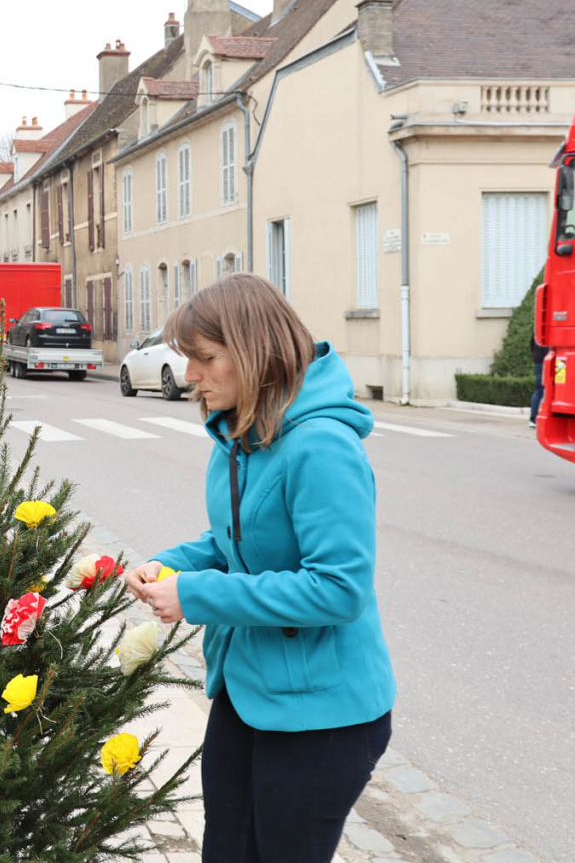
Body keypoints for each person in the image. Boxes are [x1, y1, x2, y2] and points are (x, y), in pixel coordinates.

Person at [125, 273, 396, 862]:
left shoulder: (322, 445)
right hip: (249, 689)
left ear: (254, 352)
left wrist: (196, 595)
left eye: (205, 358)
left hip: (322, 716)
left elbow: (338, 589)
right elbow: (238, 541)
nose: (190, 375)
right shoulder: (242, 432)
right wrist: (169, 565)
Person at [529, 335, 548, 428]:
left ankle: (533, 418)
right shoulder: (548, 330)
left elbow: (531, 345)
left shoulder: (536, 333)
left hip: (538, 362)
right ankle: (536, 418)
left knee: (538, 390)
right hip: (546, 362)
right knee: (545, 390)